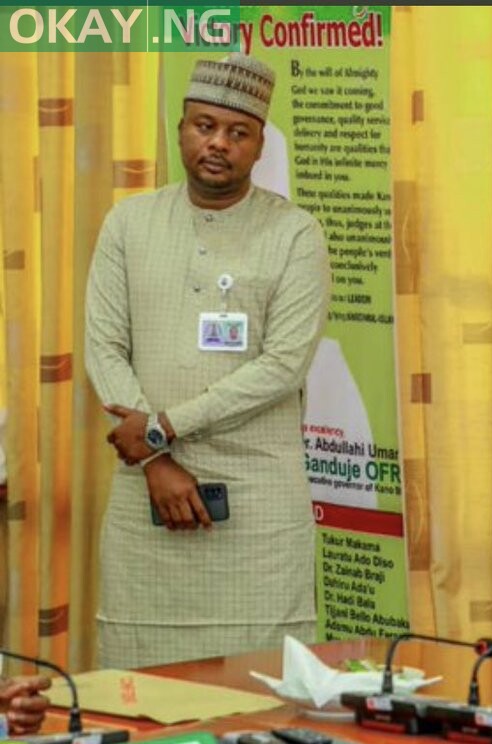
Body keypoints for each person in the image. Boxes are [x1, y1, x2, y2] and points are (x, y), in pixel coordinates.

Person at [84, 53, 331, 668]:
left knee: (260, 685)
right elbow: (105, 348)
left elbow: (282, 366)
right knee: (140, 681)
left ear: (259, 145)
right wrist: (159, 459)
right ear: (180, 129)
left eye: (236, 131)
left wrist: (162, 429)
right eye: (204, 125)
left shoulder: (296, 234)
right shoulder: (128, 223)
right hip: (148, 493)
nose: (217, 143)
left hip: (259, 507)